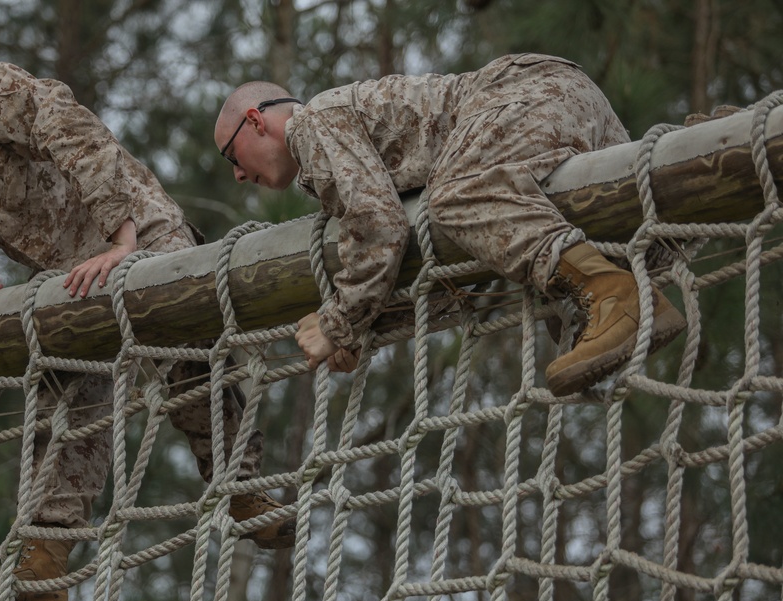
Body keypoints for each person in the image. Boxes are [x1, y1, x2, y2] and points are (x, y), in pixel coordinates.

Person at [0, 62, 295, 601]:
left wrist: (122, 236)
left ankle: (242, 490)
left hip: (136, 228)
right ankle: (42, 574)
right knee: (66, 395)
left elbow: (76, 133)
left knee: (181, 338)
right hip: (67, 278)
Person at [213, 53, 686, 394]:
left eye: (231, 156)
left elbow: (378, 227)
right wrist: (363, 332)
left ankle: (613, 294)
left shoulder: (311, 126)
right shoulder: (342, 160)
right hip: (555, 100)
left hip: (523, 92)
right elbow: (433, 264)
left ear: (256, 121)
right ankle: (642, 284)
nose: (236, 174)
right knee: (643, 237)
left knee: (457, 195)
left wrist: (338, 323)